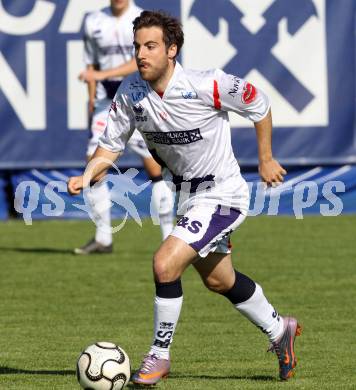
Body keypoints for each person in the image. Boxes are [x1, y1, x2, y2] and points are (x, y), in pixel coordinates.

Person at [68, 10, 302, 385]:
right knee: (219, 280)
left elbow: (259, 103)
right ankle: (280, 330)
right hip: (189, 198)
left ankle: (158, 357)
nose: (141, 54)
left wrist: (266, 158)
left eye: (151, 46)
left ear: (172, 50)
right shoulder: (131, 93)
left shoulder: (207, 83)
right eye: (137, 46)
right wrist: (87, 175)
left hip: (223, 193)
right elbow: (108, 149)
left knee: (165, 264)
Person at [75, 0, 174, 255]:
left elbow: (140, 61)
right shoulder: (93, 21)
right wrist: (91, 99)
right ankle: (103, 238)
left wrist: (100, 76)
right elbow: (91, 66)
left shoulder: (143, 19)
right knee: (94, 167)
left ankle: (169, 239)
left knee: (156, 168)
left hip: (138, 97)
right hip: (105, 103)